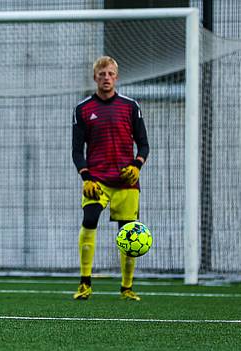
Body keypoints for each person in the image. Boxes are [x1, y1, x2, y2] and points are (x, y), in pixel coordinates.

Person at [71, 56, 150, 301]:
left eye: (111, 74)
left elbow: (144, 145)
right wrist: (86, 178)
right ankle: (85, 283)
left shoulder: (130, 106)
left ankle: (127, 288)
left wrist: (137, 165)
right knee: (89, 219)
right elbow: (77, 150)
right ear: (95, 77)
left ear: (116, 77)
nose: (106, 78)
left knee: (128, 232)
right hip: (97, 182)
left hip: (126, 182)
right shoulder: (83, 109)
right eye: (102, 74)